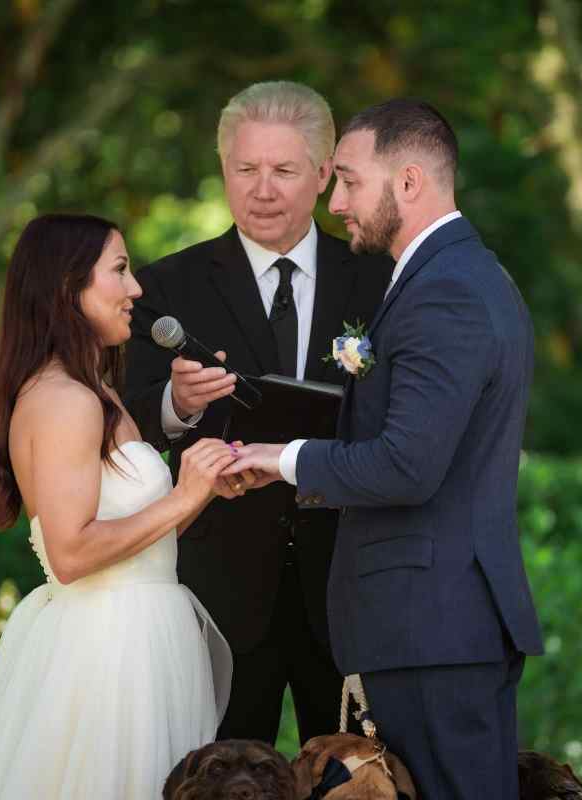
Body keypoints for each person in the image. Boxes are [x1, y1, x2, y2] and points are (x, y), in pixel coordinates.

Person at [225, 100, 545, 799]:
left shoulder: (447, 291)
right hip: (430, 630)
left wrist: (282, 459)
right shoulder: (449, 277)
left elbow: (407, 465)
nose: (335, 202)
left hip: (432, 632)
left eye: (348, 180)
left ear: (407, 181)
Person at [122, 81, 390, 745]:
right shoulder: (166, 286)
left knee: (356, 776)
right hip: (220, 591)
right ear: (223, 169)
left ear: (324, 174)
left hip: (350, 585)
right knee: (224, 779)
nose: (262, 190)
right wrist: (177, 404)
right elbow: (123, 423)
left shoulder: (381, 279)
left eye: (283, 171)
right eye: (245, 169)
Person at [0, 213, 235, 800]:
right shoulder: (64, 400)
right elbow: (72, 553)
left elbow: (139, 543)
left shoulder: (97, 392)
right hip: (107, 654)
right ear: (67, 287)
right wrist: (181, 495)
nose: (136, 289)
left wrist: (202, 490)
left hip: (145, 640)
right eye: (120, 270)